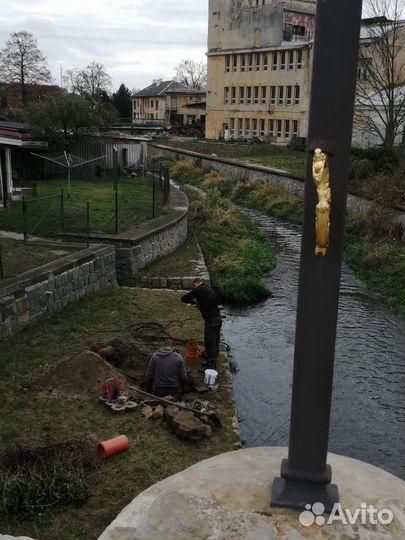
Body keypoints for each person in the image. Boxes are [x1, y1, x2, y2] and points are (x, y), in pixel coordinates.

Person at [181, 278, 222, 370]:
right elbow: (218, 301)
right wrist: (201, 304)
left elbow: (184, 299)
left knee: (209, 341)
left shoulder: (198, 290)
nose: (194, 287)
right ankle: (214, 356)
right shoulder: (209, 288)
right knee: (216, 340)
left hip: (211, 321)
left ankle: (211, 365)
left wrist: (194, 302)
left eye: (194, 286)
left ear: (196, 284)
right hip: (218, 319)